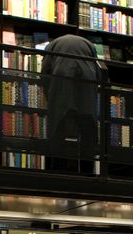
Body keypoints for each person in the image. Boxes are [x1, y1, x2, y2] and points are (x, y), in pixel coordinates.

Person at [41, 34, 106, 172]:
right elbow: (99, 71)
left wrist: (50, 96)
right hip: (87, 80)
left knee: (58, 127)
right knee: (87, 128)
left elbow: (45, 72)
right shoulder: (89, 44)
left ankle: (58, 170)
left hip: (61, 78)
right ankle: (87, 172)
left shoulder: (52, 45)